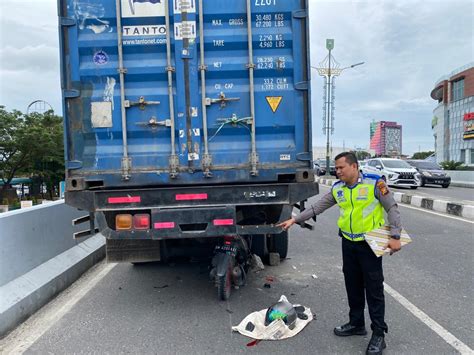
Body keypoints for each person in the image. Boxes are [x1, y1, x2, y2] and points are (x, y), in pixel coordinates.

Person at [277, 152, 402, 355]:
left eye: (341, 167)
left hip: (370, 244)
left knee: (374, 289)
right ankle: (356, 323)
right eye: (336, 168)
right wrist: (295, 219)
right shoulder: (338, 188)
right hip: (348, 243)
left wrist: (395, 235)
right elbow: (318, 207)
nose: (338, 171)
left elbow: (392, 208)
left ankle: (379, 333)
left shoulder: (374, 183)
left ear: (354, 166)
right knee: (352, 285)